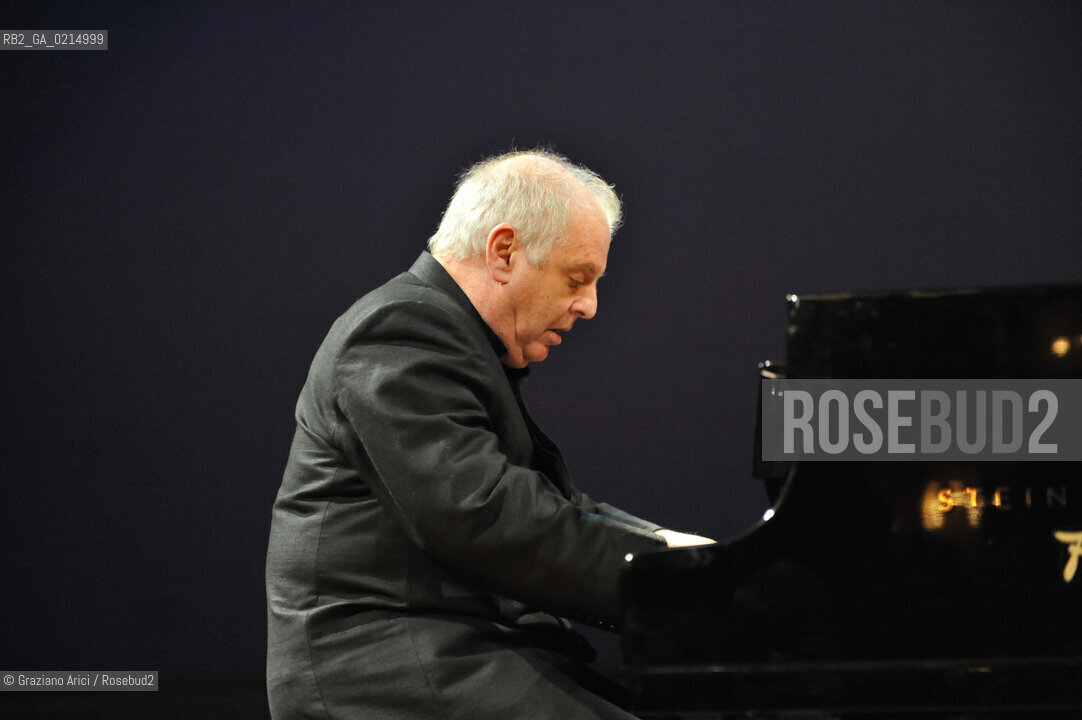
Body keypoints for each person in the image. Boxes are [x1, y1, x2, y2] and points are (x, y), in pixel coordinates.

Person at [265, 149, 713, 719]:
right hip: (394, 668)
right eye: (578, 279)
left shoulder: (444, 336)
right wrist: (668, 569)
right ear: (504, 252)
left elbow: (540, 504)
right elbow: (483, 514)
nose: (590, 306)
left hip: (459, 650)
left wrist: (669, 545)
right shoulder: (400, 330)